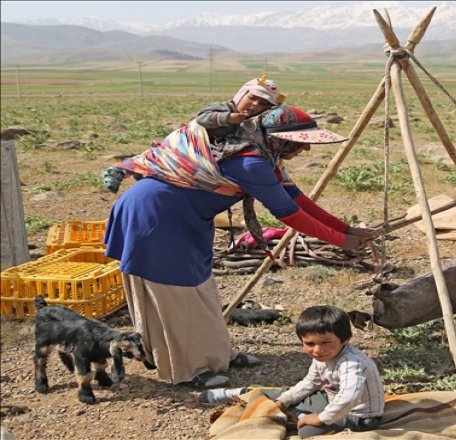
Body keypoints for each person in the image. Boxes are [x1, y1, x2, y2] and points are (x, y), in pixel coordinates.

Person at [103, 104, 375, 389]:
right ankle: (190, 369)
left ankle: (216, 355)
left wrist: (346, 229)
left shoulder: (265, 157)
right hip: (156, 219)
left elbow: (299, 200)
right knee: (174, 297)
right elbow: (288, 213)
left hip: (182, 218)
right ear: (278, 138)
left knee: (200, 290)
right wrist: (341, 240)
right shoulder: (251, 163)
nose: (304, 151)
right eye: (299, 143)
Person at [102, 75, 285, 193]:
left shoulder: (250, 123)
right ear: (240, 94)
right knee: (156, 156)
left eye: (262, 104)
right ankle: (118, 170)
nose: (254, 105)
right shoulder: (223, 108)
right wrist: (228, 118)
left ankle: (147, 175)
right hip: (187, 141)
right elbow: (202, 119)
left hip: (203, 152)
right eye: (251, 98)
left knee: (165, 167)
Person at [274, 305, 385, 438]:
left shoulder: (352, 363)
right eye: (310, 344)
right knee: (281, 398)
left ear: (345, 339)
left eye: (326, 342)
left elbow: (349, 398)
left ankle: (299, 417)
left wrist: (320, 419)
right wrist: (284, 400)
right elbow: (310, 382)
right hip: (333, 401)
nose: (317, 350)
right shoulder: (322, 356)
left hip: (360, 417)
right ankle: (298, 415)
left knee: (306, 432)